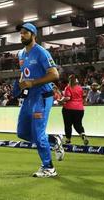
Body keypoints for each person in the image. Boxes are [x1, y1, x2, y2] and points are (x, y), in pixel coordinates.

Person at [11, 23, 64, 178]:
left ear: (33, 35)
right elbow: (24, 74)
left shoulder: (41, 52)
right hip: (29, 97)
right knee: (22, 132)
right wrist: (20, 84)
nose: (22, 35)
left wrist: (32, 83)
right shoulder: (21, 54)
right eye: (20, 33)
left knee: (38, 133)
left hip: (42, 96)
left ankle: (49, 168)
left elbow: (55, 75)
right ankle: (54, 141)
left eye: (25, 33)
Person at [59, 74, 89, 145]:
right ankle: (83, 134)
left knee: (68, 125)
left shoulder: (68, 88)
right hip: (80, 108)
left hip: (69, 108)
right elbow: (83, 96)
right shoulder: (80, 88)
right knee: (78, 124)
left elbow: (68, 98)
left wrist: (60, 101)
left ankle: (68, 140)